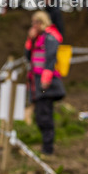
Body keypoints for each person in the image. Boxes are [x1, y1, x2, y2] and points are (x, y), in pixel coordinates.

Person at [25, 11, 66, 156]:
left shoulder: (50, 36)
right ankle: (46, 146)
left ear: (41, 22)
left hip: (46, 83)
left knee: (45, 115)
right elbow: (27, 56)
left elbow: (50, 57)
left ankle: (47, 149)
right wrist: (30, 40)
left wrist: (46, 78)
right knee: (40, 115)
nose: (33, 26)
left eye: (36, 22)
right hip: (36, 81)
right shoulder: (37, 38)